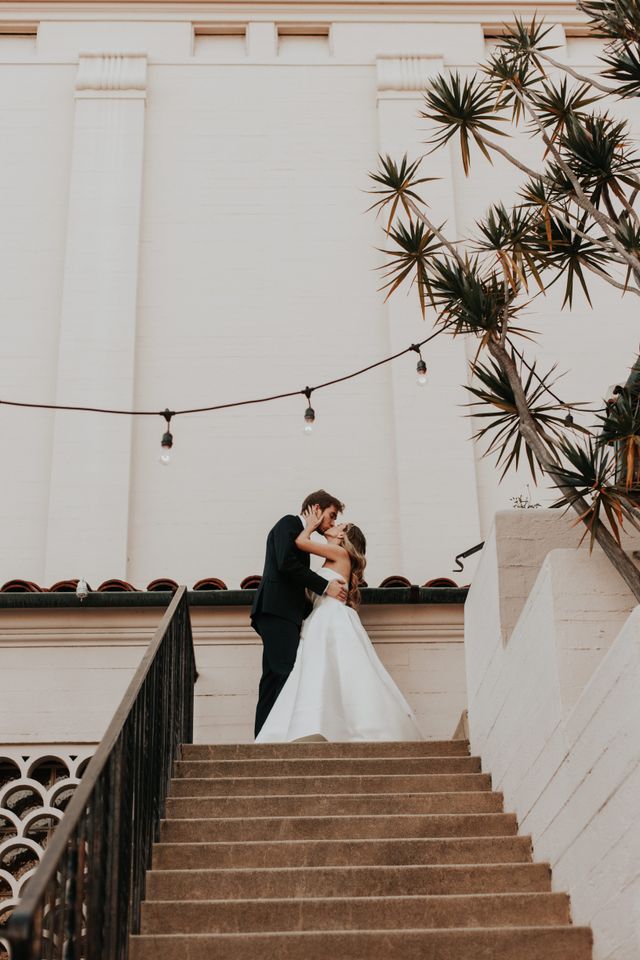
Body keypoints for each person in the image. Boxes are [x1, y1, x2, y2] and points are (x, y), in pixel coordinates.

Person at [255, 505, 423, 742]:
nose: (332, 525)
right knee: (320, 671)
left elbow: (301, 543)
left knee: (333, 670)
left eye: (337, 524)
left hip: (329, 618)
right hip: (319, 618)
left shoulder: (340, 554)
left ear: (342, 536)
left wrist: (311, 526)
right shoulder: (331, 558)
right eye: (333, 519)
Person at [251, 491, 348, 737]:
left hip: (284, 614)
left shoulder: (301, 539)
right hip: (277, 611)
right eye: (331, 515)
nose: (333, 523)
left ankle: (263, 737)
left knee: (273, 677)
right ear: (317, 508)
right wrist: (326, 587)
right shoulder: (288, 523)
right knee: (283, 672)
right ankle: (276, 737)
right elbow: (286, 564)